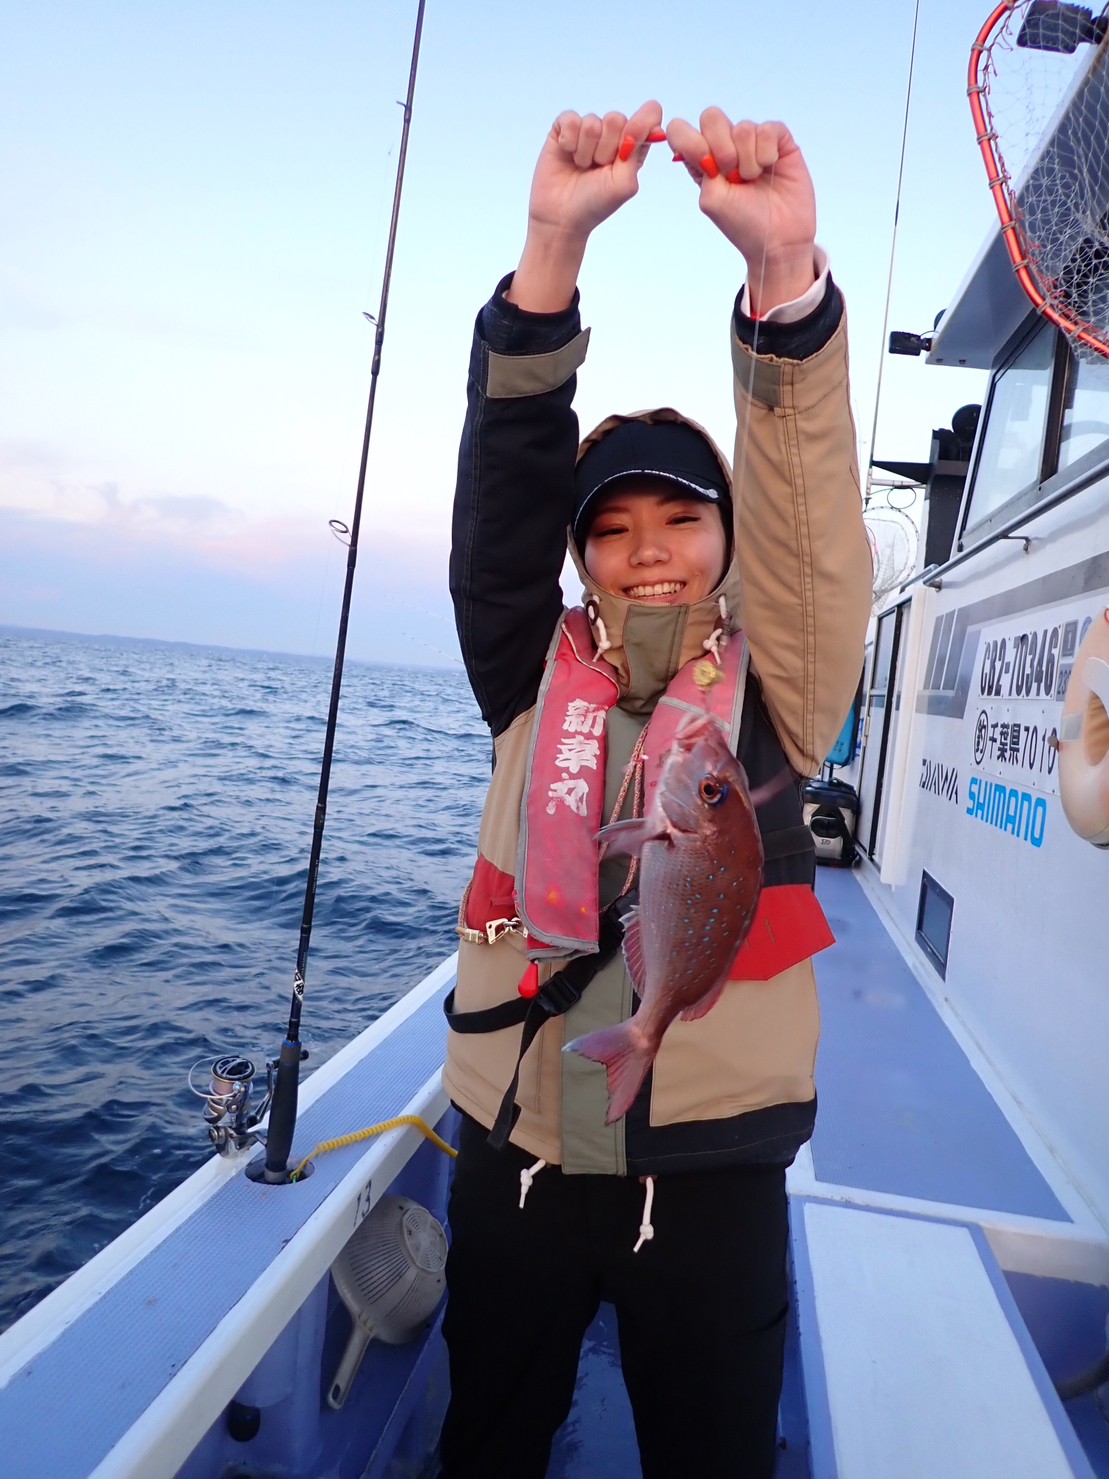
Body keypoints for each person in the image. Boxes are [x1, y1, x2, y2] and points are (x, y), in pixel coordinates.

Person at [437, 100, 872, 1479]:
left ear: (727, 538)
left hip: (712, 1163)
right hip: (519, 1137)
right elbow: (505, 511)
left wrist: (784, 287)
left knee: (713, 1452)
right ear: (580, 558)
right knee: (488, 1437)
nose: (648, 550)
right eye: (613, 528)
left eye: (683, 517)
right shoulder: (525, 673)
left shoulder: (781, 693)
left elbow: (808, 537)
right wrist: (549, 254)